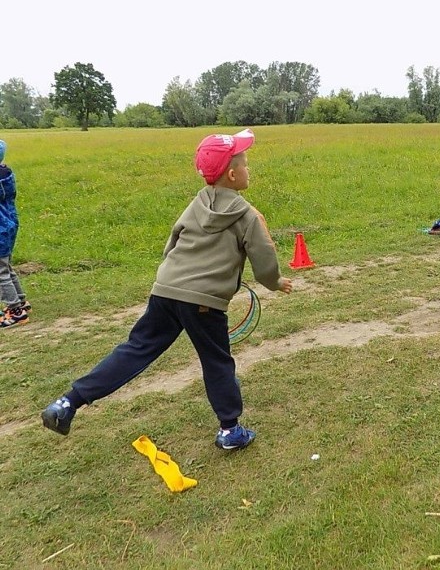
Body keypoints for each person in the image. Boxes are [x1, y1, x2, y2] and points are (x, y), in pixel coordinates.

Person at [41, 129, 293, 450]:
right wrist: (276, 283)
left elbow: (172, 241)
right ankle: (230, 431)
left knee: (137, 347)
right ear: (232, 174)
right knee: (216, 360)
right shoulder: (248, 215)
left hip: (166, 289)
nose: (248, 168)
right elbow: (265, 261)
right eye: (244, 163)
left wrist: (173, 279)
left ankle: (67, 403)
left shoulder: (197, 203)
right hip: (203, 302)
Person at [0, 139, 31, 329]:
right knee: (6, 266)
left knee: (1, 272)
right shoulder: (6, 172)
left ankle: (15, 311)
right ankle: (20, 300)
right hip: (9, 224)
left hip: (0, 228)